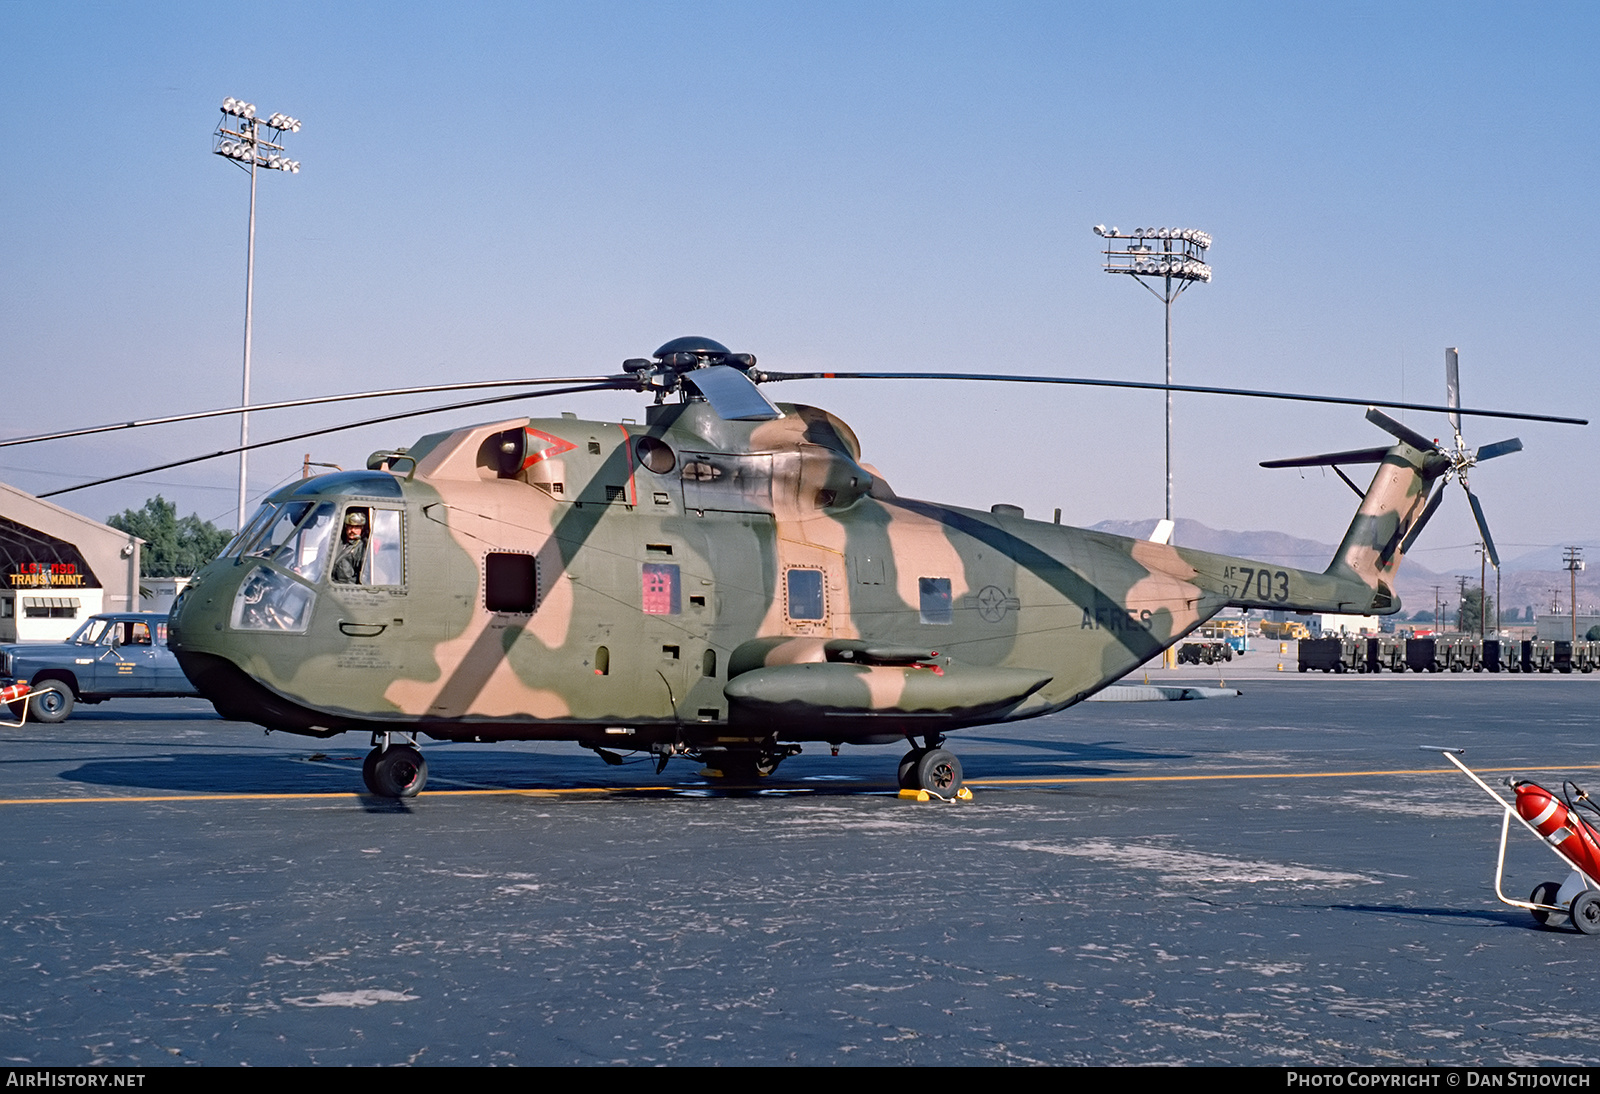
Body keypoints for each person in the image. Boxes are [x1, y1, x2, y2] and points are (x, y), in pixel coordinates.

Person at [331, 510, 368, 584]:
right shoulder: (338, 542)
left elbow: (364, 578)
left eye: (357, 527)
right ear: (346, 526)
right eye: (350, 526)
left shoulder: (362, 548)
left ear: (362, 528)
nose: (353, 530)